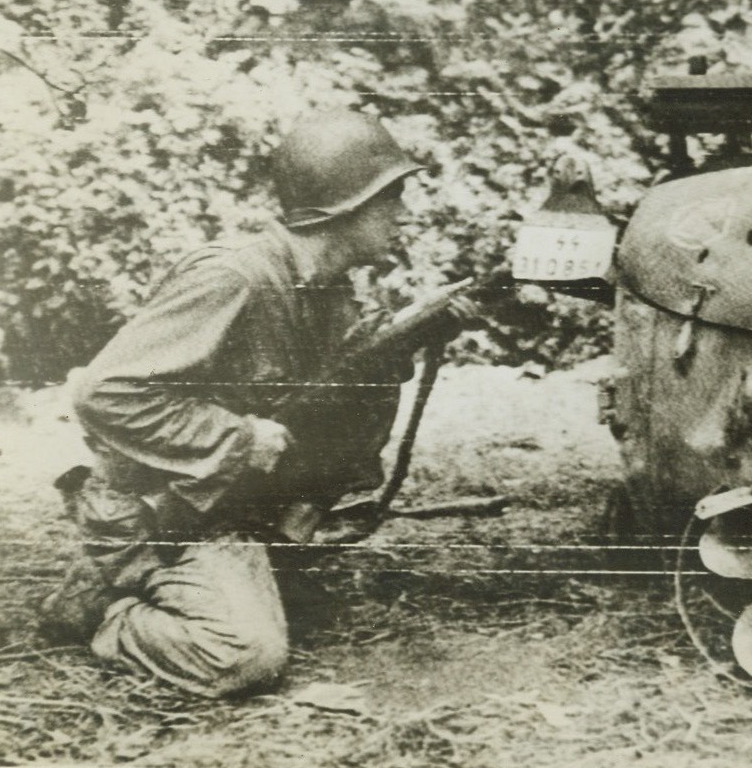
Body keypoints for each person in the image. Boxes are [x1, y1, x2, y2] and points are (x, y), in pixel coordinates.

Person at [38, 109, 472, 698]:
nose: (404, 213)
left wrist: (404, 346)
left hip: (228, 510)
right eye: (392, 196)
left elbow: (322, 413)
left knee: (279, 603)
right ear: (347, 203)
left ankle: (150, 578)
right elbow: (105, 392)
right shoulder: (233, 278)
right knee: (246, 655)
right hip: (163, 511)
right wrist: (239, 437)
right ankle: (109, 617)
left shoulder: (326, 293)